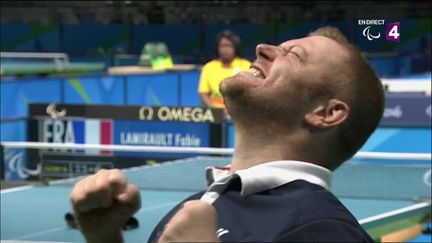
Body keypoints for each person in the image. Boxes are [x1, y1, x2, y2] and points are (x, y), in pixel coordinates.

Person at [70, 26, 384, 242]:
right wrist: (105, 238)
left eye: (295, 55)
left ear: (326, 113)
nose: (262, 49)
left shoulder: (323, 230)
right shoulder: (199, 206)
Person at [198, 30, 251, 114]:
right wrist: (216, 112)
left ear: (235, 47)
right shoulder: (209, 67)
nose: (225, 49)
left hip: (240, 112)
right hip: (214, 113)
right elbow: (203, 94)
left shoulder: (246, 65)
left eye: (229, 46)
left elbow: (250, 93)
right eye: (222, 46)